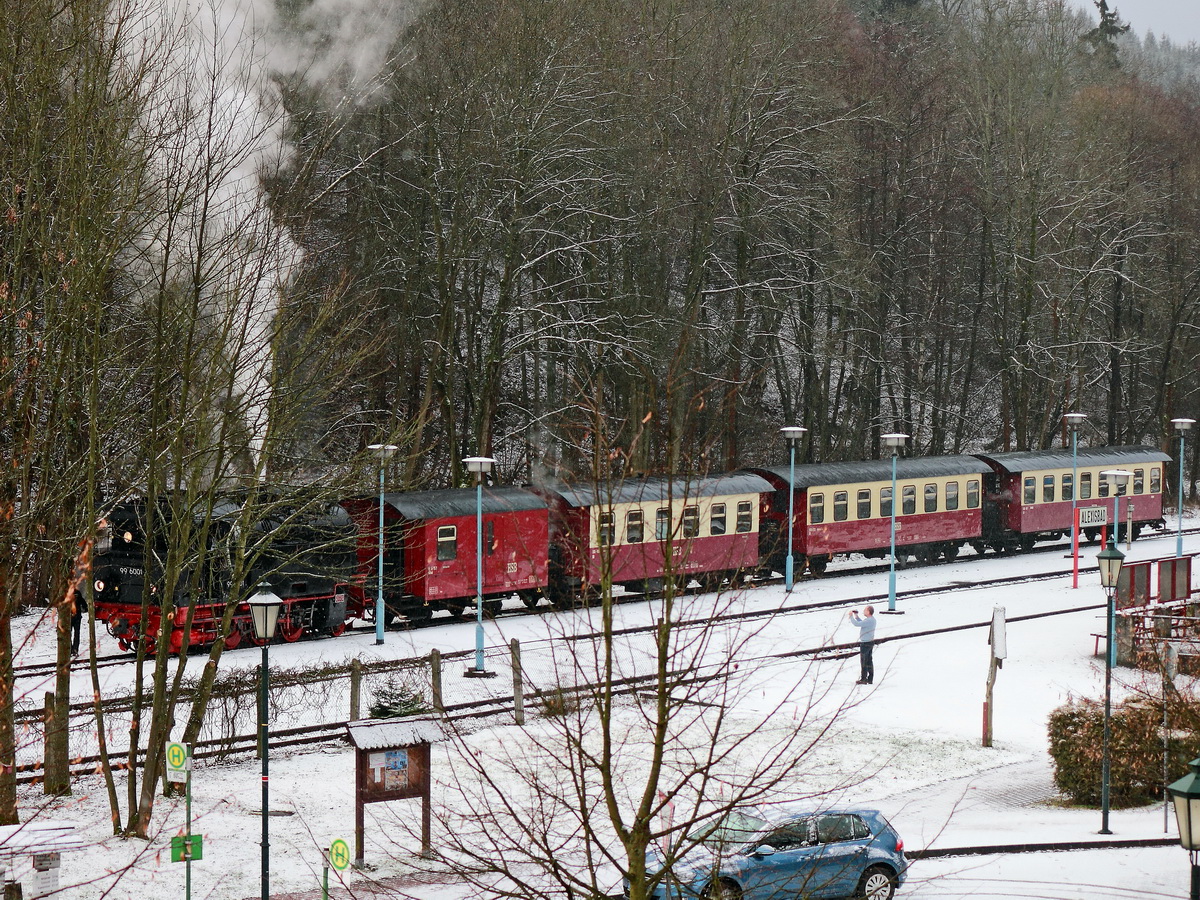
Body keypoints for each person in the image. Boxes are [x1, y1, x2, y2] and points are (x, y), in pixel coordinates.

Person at [848, 606, 876, 684]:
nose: (863, 611)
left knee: (864, 661)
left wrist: (851, 616)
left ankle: (863, 678)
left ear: (868, 612)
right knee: (869, 661)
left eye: (864, 610)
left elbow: (857, 624)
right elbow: (861, 623)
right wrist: (856, 616)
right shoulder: (871, 620)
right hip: (870, 642)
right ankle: (870, 678)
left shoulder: (868, 621)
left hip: (865, 643)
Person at [71, 589, 87, 656]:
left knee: (71, 633)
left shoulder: (66, 592)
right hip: (76, 616)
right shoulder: (77, 593)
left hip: (71, 617)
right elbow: (83, 603)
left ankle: (72, 649)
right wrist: (85, 608)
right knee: (76, 633)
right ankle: (74, 649)